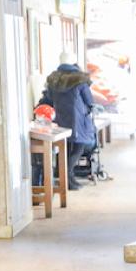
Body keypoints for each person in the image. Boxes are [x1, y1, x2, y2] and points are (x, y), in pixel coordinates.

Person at [39, 52, 95, 190]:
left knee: (64, 149)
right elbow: (89, 101)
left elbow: (49, 98)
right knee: (79, 147)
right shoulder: (80, 80)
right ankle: (68, 178)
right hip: (78, 119)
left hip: (59, 119)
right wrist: (87, 111)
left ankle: (68, 179)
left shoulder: (53, 79)